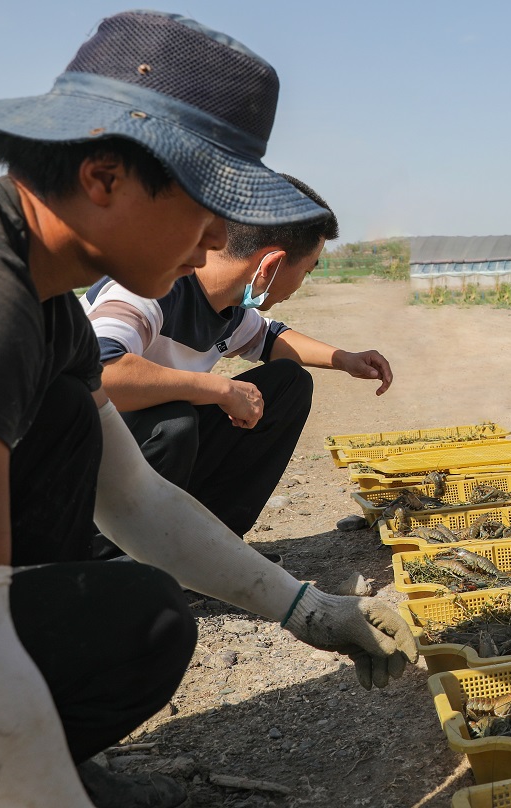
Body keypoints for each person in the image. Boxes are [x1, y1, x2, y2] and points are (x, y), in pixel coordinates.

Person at [0, 10, 417, 808]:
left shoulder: (47, 298)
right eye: (206, 209)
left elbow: (134, 498)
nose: (208, 246)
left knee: (144, 618)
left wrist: (309, 608)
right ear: (104, 179)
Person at [82, 173, 392, 551]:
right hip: (69, 465)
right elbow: (99, 371)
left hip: (126, 453)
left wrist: (344, 359)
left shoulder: (225, 303)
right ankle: (108, 560)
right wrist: (220, 388)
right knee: (172, 425)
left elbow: (270, 338)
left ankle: (208, 548)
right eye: (306, 270)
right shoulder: (148, 286)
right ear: (270, 266)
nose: (300, 284)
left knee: (288, 385)